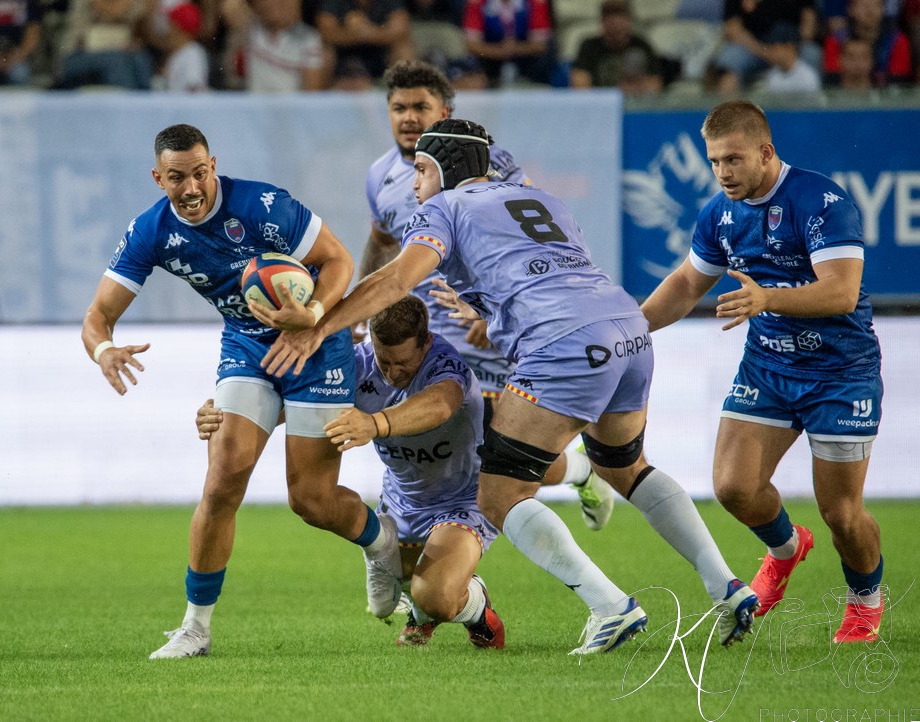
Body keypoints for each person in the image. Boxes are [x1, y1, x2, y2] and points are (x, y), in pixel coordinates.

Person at [259, 118, 760, 654]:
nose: (415, 186)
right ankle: (725, 587)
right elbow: (544, 276)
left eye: (420, 173)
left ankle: (610, 607)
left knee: (499, 495)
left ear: (438, 169)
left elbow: (398, 279)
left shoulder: (443, 208)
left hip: (562, 343)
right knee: (625, 467)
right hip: (626, 329)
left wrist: (321, 323)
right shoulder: (542, 200)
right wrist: (481, 302)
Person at [81, 123, 402, 659]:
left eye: (200, 173)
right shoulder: (151, 230)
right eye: (177, 177)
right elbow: (98, 316)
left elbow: (340, 260)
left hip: (315, 345)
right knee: (222, 479)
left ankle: (380, 541)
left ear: (213, 166)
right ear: (158, 178)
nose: (191, 188)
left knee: (311, 500)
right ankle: (195, 628)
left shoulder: (262, 205)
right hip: (247, 348)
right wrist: (103, 350)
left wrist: (314, 317)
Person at [640, 100, 887, 644]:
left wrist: (766, 298)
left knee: (842, 515)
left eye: (733, 159)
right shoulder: (718, 214)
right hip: (770, 366)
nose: (723, 172)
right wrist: (629, 331)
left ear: (765, 152)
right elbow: (685, 284)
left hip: (840, 373)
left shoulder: (821, 201)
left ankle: (865, 600)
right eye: (714, 162)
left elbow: (843, 291)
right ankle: (785, 548)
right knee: (733, 488)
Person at [364, 59, 615, 531]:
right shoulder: (379, 176)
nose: (409, 117)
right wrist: (366, 312)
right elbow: (381, 242)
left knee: (495, 445)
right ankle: (423, 554)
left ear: (446, 110)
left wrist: (489, 312)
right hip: (430, 332)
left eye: (422, 107)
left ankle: (578, 471)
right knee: (436, 437)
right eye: (399, 107)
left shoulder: (492, 166)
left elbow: (527, 234)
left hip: (486, 328)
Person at [199, 295, 507, 648]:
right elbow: (286, 407)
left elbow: (440, 404)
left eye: (403, 363)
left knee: (435, 594)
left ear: (426, 341)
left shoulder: (446, 366)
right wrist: (223, 415)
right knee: (393, 595)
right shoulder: (357, 367)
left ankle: (476, 609)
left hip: (463, 499)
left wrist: (375, 423)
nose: (392, 373)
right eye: (384, 360)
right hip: (402, 503)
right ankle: (423, 608)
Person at [219, 0, 328, 92]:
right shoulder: (252, 29)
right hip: (255, 109)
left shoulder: (309, 38)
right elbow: (229, 7)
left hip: (290, 111)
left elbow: (311, 92)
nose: (274, 4)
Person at [570, 0, 664, 95]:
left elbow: (655, 85)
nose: (615, 24)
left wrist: (632, 88)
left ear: (629, 20)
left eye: (621, 18)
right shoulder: (589, 47)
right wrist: (615, 91)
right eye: (610, 18)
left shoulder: (642, 46)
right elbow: (579, 85)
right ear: (602, 22)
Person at [314, 0, 414, 89]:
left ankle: (407, 99)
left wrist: (369, 32)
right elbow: (325, 32)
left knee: (404, 50)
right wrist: (352, 34)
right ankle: (318, 102)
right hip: (343, 58)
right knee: (322, 52)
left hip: (379, 57)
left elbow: (401, 30)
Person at [461, 0, 555, 87]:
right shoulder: (477, 3)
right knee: (473, 62)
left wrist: (516, 48)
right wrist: (500, 51)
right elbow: (471, 45)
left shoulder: (535, 2)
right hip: (491, 62)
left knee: (546, 55)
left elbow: (540, 45)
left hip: (525, 60)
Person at [822, 0, 912, 88]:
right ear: (850, 9)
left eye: (876, 5)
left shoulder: (897, 40)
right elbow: (832, 80)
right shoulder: (836, 40)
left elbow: (899, 83)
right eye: (863, 6)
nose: (870, 11)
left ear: (884, 9)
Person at [159, 0, 207, 91]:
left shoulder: (193, 53)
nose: (168, 30)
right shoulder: (179, 52)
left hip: (185, 105)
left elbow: (194, 88)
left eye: (171, 25)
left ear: (179, 28)